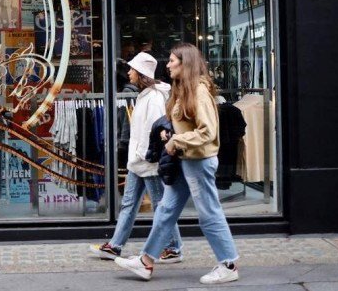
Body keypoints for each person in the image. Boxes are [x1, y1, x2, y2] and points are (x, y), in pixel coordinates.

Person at [114, 42, 239, 285]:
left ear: (186, 63)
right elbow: (185, 124)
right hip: (185, 159)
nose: (167, 64)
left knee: (208, 213)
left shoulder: (199, 92)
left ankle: (229, 264)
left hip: (198, 161)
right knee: (165, 210)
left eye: (172, 61)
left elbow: (208, 132)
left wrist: (176, 141)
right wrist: (169, 133)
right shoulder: (184, 89)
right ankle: (146, 261)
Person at [90, 52, 183, 263]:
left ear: (141, 73)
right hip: (138, 162)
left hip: (147, 162)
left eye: (132, 69)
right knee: (130, 203)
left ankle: (174, 248)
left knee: (161, 206)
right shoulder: (146, 96)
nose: (129, 72)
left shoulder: (154, 98)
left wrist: (144, 155)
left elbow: (155, 130)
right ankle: (115, 245)